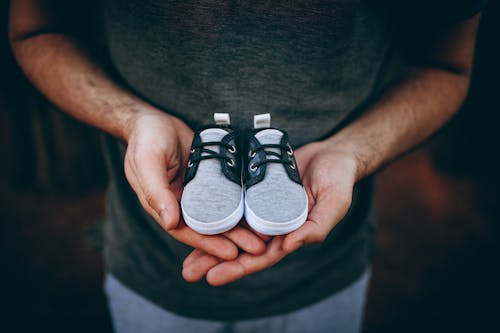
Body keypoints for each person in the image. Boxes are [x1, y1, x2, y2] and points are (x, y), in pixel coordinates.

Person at [8, 0, 486, 332]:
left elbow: (446, 65)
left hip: (327, 274)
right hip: (148, 266)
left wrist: (352, 152)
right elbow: (36, 28)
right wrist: (134, 120)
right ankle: (216, 151)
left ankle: (265, 154)